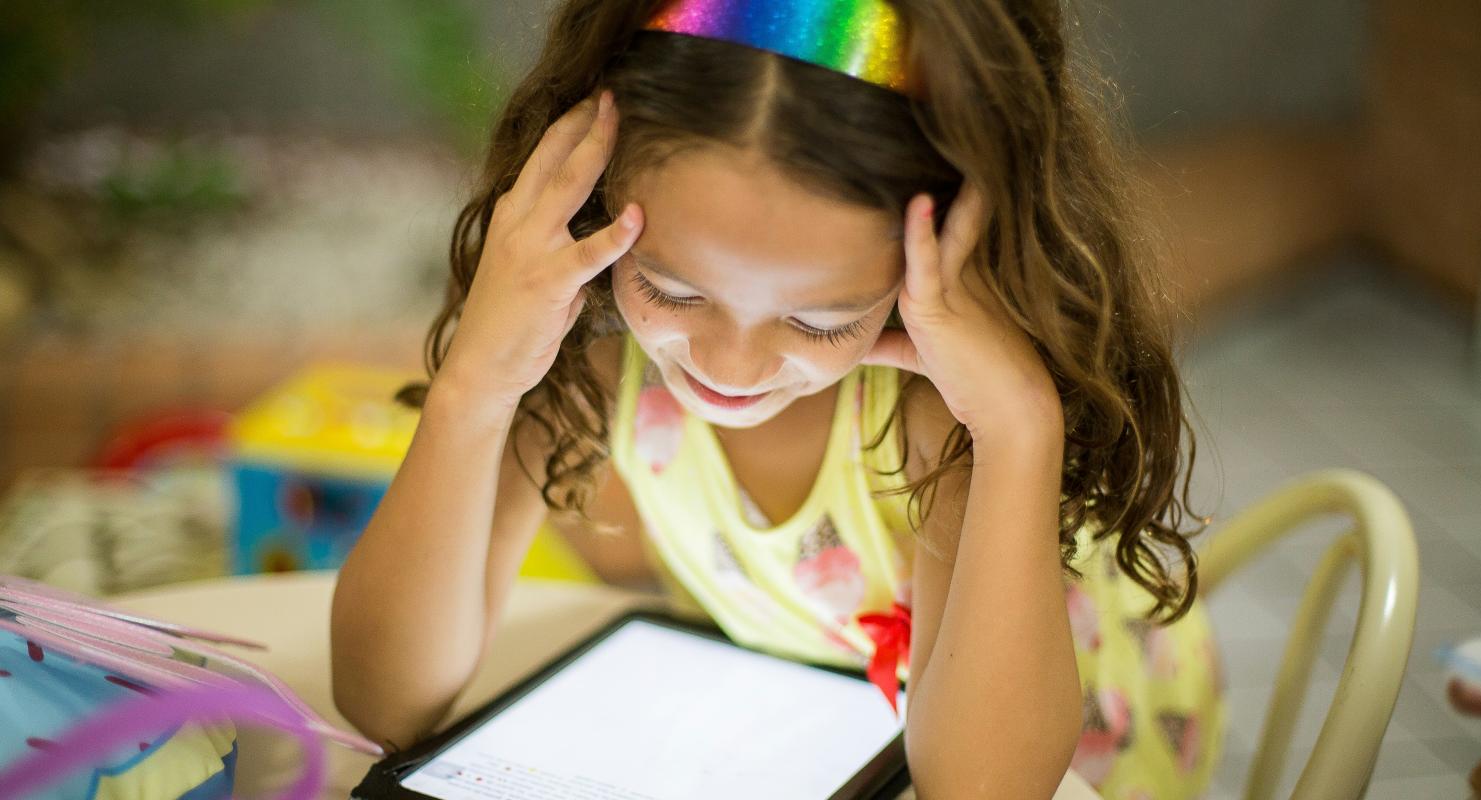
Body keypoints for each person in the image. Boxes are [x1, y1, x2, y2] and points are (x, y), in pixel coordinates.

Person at [330, 1, 1224, 797]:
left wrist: (1020, 424)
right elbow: (386, 701)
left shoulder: (938, 426)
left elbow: (983, 789)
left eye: (822, 320)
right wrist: (475, 386)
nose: (733, 365)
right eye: (674, 292)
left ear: (945, 264)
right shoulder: (593, 386)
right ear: (594, 205)